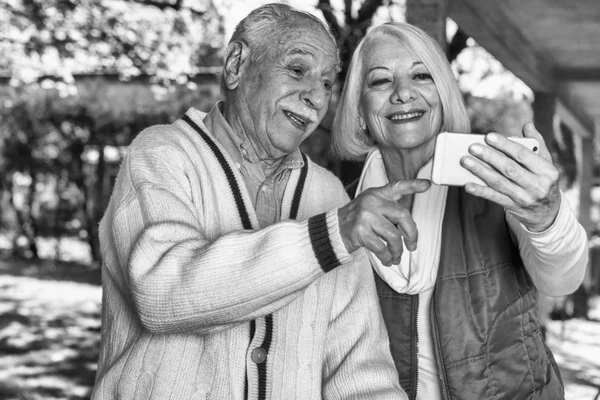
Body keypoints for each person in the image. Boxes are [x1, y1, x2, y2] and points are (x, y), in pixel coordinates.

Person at [91, 4, 409, 400]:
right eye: (297, 70)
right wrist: (329, 237)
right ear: (236, 64)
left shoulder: (328, 194)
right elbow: (162, 293)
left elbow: (361, 371)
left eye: (328, 83)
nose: (315, 97)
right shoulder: (161, 154)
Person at [331, 22, 588, 400]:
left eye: (421, 75)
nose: (403, 93)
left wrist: (547, 216)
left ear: (443, 94)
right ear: (359, 110)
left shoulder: (496, 181)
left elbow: (562, 280)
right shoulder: (341, 211)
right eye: (381, 81)